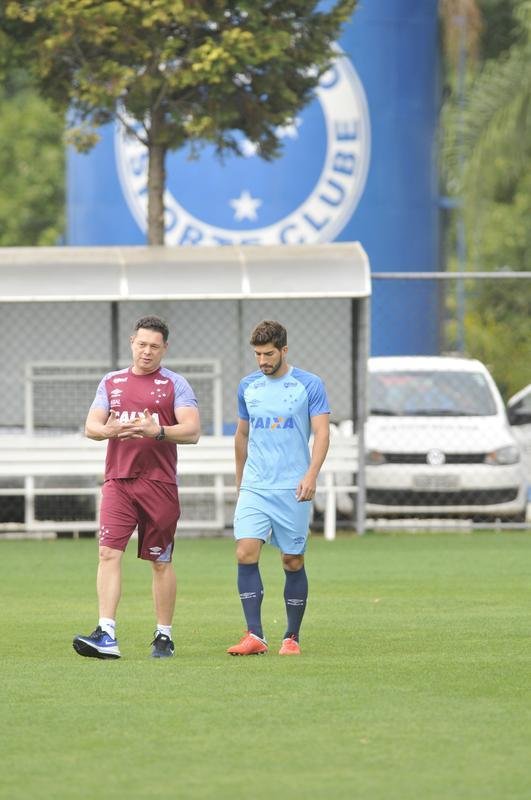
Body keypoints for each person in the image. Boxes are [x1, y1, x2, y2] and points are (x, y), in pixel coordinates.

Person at [73, 315, 200, 660]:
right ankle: (106, 633)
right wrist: (109, 431)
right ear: (132, 342)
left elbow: (191, 430)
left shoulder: (176, 384)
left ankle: (163, 635)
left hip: (159, 483)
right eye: (141, 344)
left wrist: (156, 430)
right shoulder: (111, 382)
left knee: (160, 561)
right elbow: (92, 426)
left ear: (165, 349)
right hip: (118, 481)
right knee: (108, 552)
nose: (146, 352)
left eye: (154, 347)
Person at [227, 320, 330, 656]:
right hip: (256, 485)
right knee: (245, 552)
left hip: (293, 488)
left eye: (268, 354)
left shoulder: (309, 385)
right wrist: (240, 480)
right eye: (257, 354)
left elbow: (322, 433)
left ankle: (292, 637)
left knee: (292, 561)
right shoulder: (248, 387)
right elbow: (242, 435)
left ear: (284, 350)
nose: (262, 361)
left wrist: (312, 474)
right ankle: (255, 635)